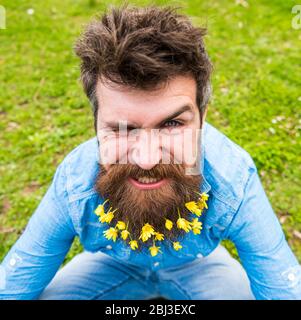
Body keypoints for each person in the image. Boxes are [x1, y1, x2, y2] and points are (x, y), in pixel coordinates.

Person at [0, 4, 300, 300]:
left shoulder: (234, 177)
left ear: (203, 117)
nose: (147, 159)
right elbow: (12, 288)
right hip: (110, 266)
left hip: (200, 267)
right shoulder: (73, 183)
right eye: (121, 128)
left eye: (172, 123)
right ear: (95, 124)